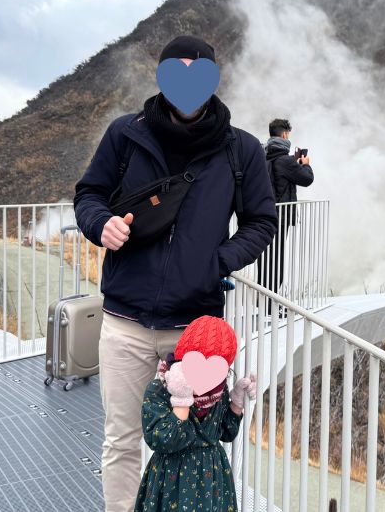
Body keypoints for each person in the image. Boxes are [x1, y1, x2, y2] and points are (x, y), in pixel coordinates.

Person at [73, 35, 276, 512]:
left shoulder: (240, 149)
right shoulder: (126, 135)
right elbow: (89, 194)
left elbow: (262, 220)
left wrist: (218, 262)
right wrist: (100, 224)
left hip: (196, 330)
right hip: (125, 321)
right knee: (121, 438)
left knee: (199, 441)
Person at [136, 316, 256, 512]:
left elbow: (226, 432)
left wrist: (236, 402)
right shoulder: (159, 390)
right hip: (171, 480)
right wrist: (181, 401)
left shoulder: (218, 390)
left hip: (211, 480)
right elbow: (162, 440)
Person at [257, 118, 314, 296]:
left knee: (265, 258)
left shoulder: (262, 156)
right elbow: (307, 179)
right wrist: (306, 165)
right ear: (284, 135)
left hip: (262, 214)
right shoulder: (285, 161)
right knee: (276, 260)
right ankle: (270, 302)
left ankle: (263, 298)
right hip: (280, 218)